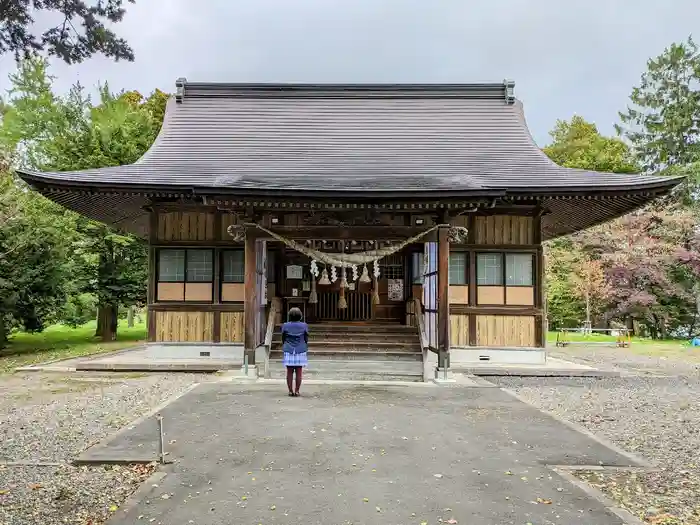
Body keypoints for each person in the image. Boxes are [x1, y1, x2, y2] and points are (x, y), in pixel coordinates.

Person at [281, 307, 308, 396]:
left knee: (289, 371)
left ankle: (290, 390)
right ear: (300, 316)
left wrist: (285, 344)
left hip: (289, 349)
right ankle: (297, 391)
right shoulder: (304, 325)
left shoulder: (285, 325)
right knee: (299, 371)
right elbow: (306, 338)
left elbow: (283, 337)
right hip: (300, 349)